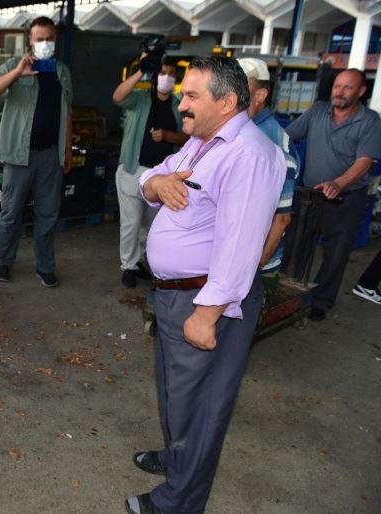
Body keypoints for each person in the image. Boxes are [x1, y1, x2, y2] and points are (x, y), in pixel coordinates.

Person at [126, 56, 285, 514]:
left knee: (200, 406)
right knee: (175, 394)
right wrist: (158, 184)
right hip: (174, 294)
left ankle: (179, 501)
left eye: (192, 96)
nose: (182, 104)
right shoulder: (201, 143)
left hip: (205, 302)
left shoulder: (249, 154)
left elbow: (241, 244)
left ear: (227, 102)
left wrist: (208, 313)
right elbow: (147, 177)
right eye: (183, 95)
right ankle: (177, 459)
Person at [0, 16, 73, 287]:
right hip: (18, 155)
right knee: (11, 212)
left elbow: (68, 113)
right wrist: (16, 73)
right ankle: (3, 262)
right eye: (39, 39)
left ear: (55, 39)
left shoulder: (62, 72)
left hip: (50, 155)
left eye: (49, 38)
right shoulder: (15, 65)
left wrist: (67, 150)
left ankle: (45, 267)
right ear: (30, 40)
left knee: (48, 214)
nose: (45, 43)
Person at [285, 69, 381, 321]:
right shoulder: (317, 111)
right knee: (295, 246)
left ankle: (320, 301)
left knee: (336, 254)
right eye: (337, 86)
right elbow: (286, 136)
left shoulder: (369, 120)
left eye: (348, 87)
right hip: (310, 196)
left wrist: (338, 183)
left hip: (346, 199)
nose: (339, 92)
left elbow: (364, 161)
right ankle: (287, 296)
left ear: (361, 91)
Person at [112, 54, 186, 288]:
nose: (166, 78)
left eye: (171, 74)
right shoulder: (140, 98)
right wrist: (140, 71)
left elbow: (186, 137)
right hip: (133, 169)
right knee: (131, 223)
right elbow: (118, 97)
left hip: (161, 177)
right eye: (162, 73)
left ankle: (139, 261)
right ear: (154, 76)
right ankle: (128, 265)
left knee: (150, 226)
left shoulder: (178, 106)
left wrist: (167, 136)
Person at [238, 57, 298, 273]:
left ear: (260, 95)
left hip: (252, 265)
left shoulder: (273, 142)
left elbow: (281, 218)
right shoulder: (237, 128)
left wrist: (258, 264)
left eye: (241, 89)